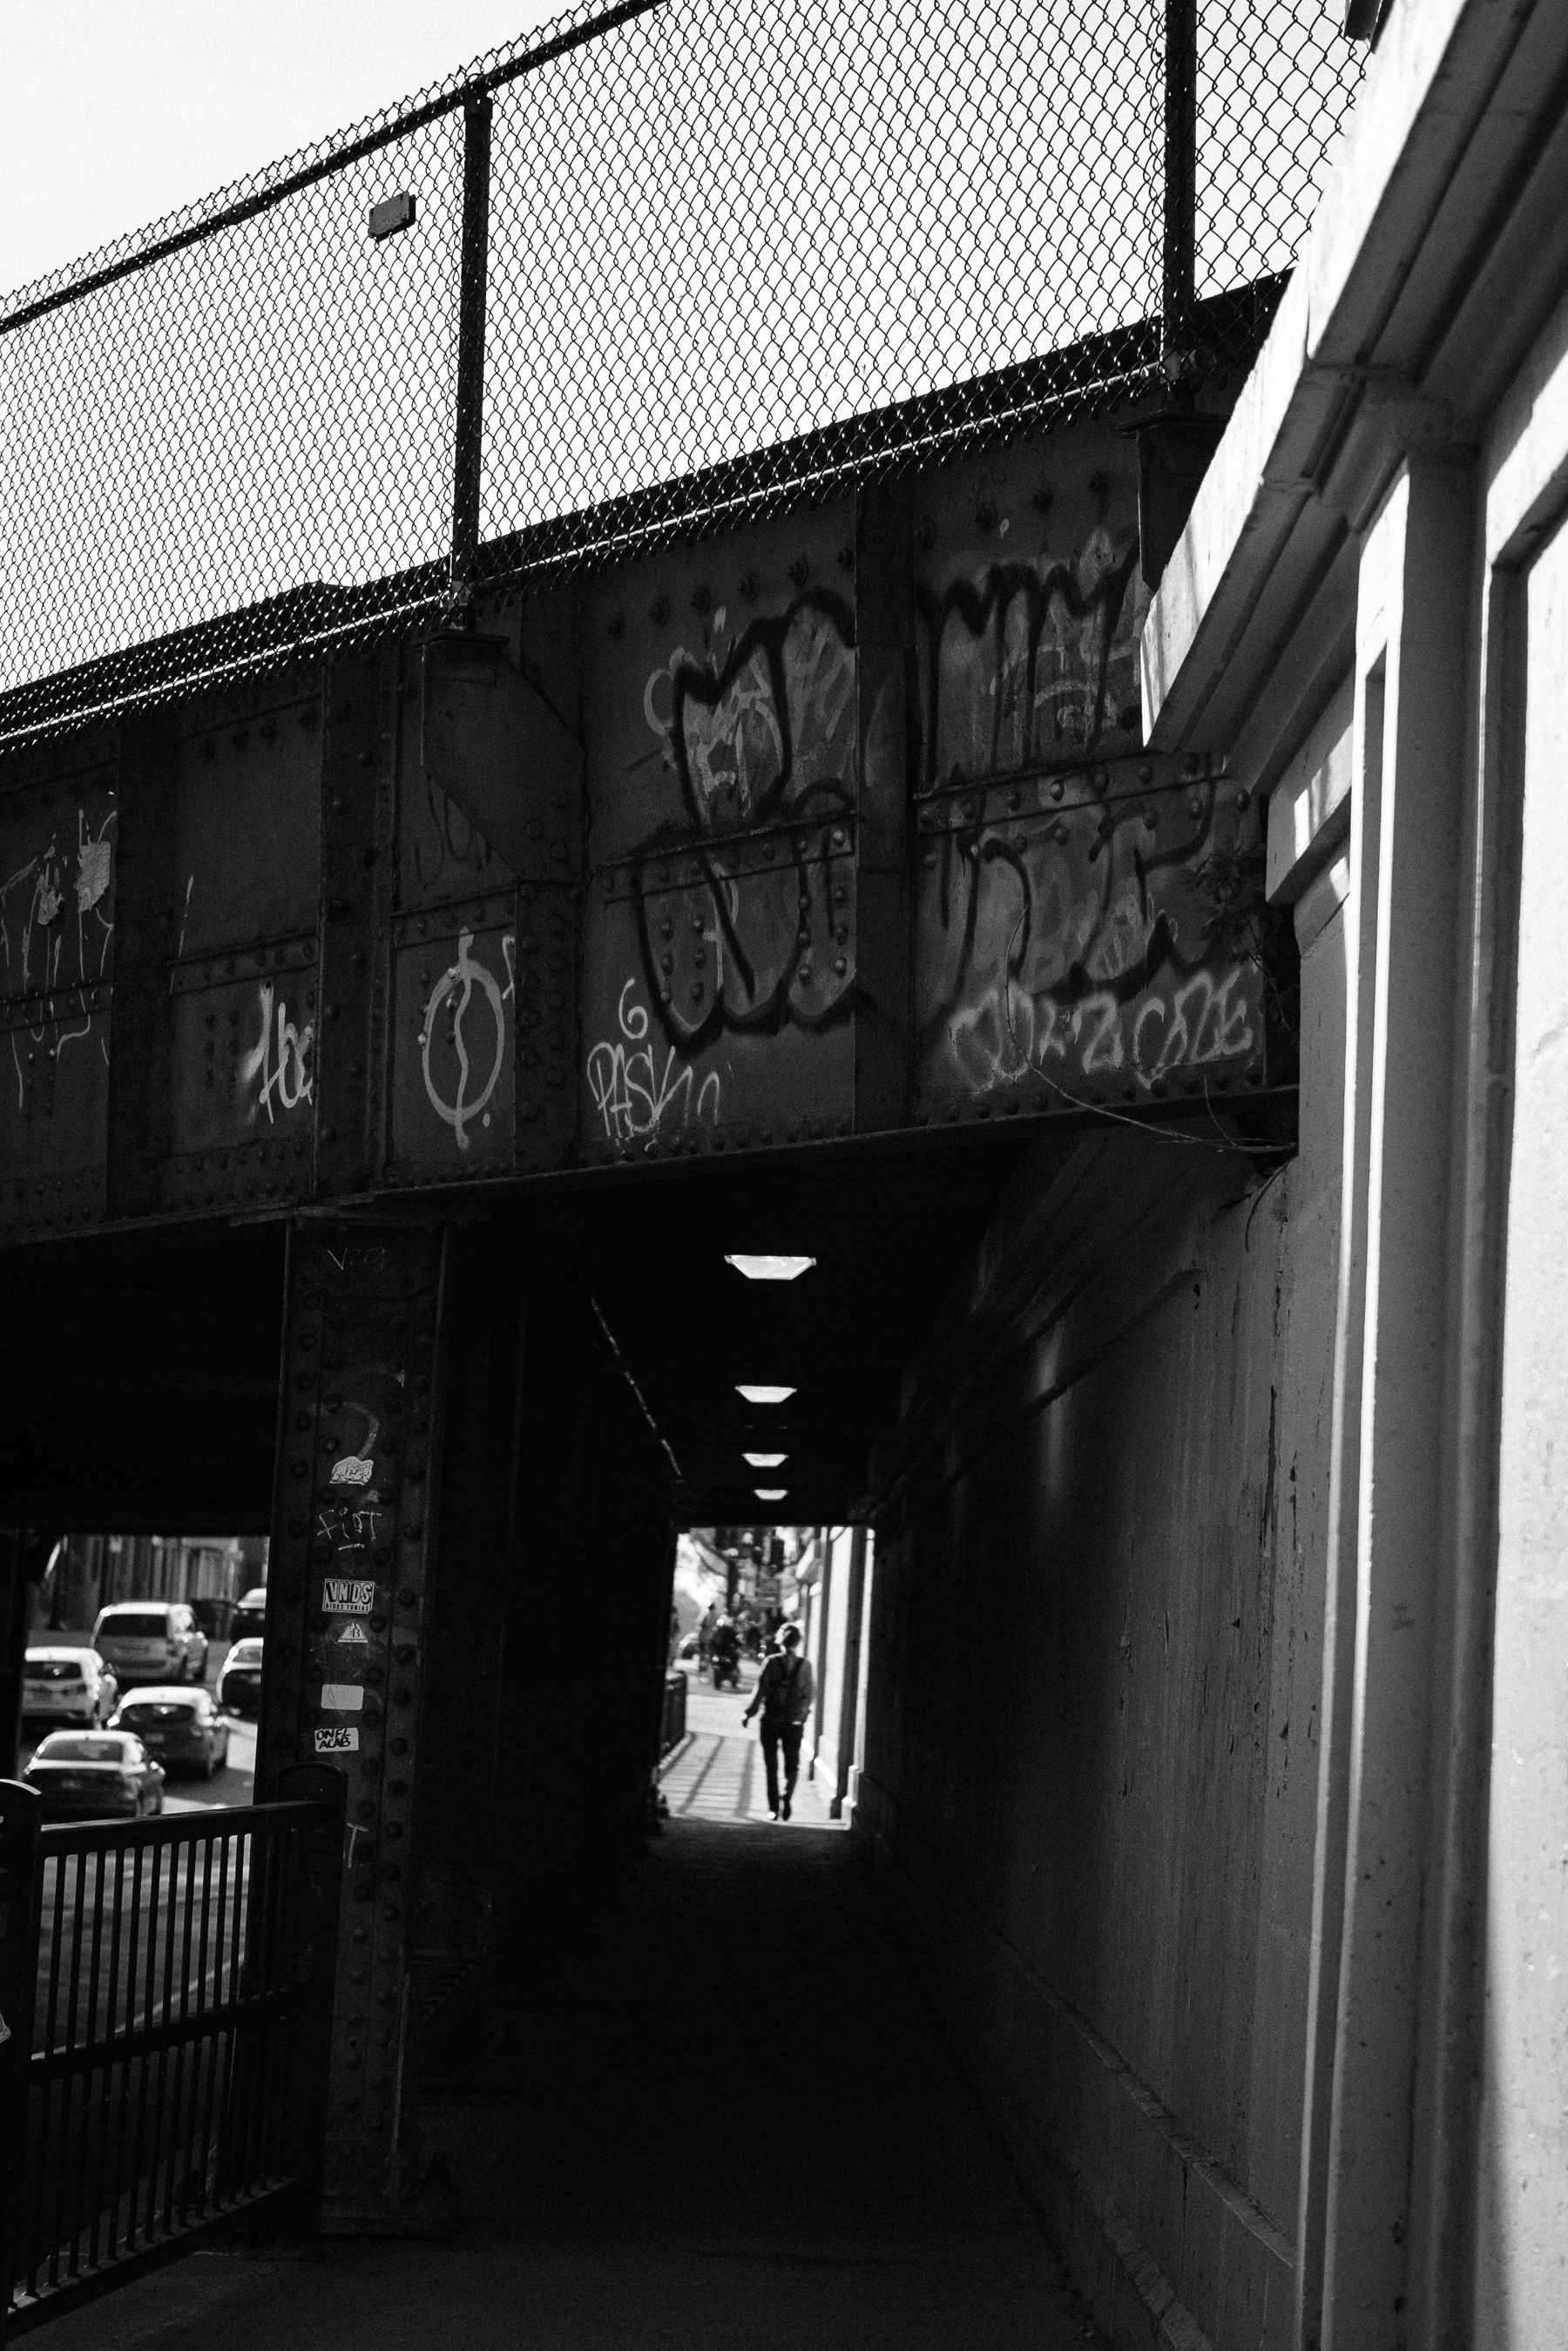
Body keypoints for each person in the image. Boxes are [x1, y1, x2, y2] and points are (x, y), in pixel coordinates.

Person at [742, 1623, 814, 1821]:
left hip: (771, 1720)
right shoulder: (805, 1666)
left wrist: (749, 1713)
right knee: (792, 1764)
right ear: (798, 1642)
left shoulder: (771, 1662)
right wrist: (802, 1716)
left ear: (780, 1640)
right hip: (793, 1723)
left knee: (771, 1765)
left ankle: (773, 1808)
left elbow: (760, 1691)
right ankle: (787, 1794)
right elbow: (809, 1695)